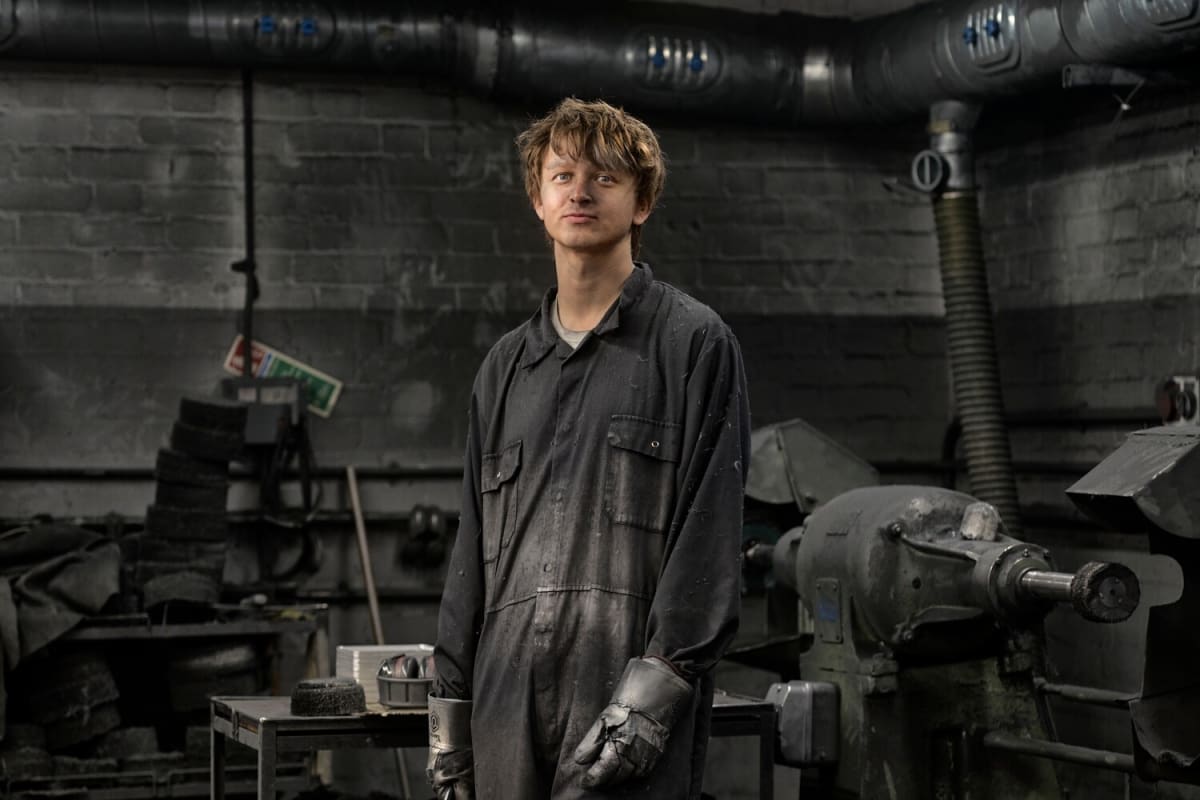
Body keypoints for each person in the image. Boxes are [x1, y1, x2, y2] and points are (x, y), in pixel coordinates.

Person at [427, 97, 751, 800]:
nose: (580, 191)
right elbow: (470, 556)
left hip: (622, 700)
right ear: (538, 202)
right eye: (563, 175)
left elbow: (708, 540)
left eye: (604, 178)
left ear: (642, 203)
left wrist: (647, 704)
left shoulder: (693, 346)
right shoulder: (504, 370)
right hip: (504, 704)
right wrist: (448, 718)